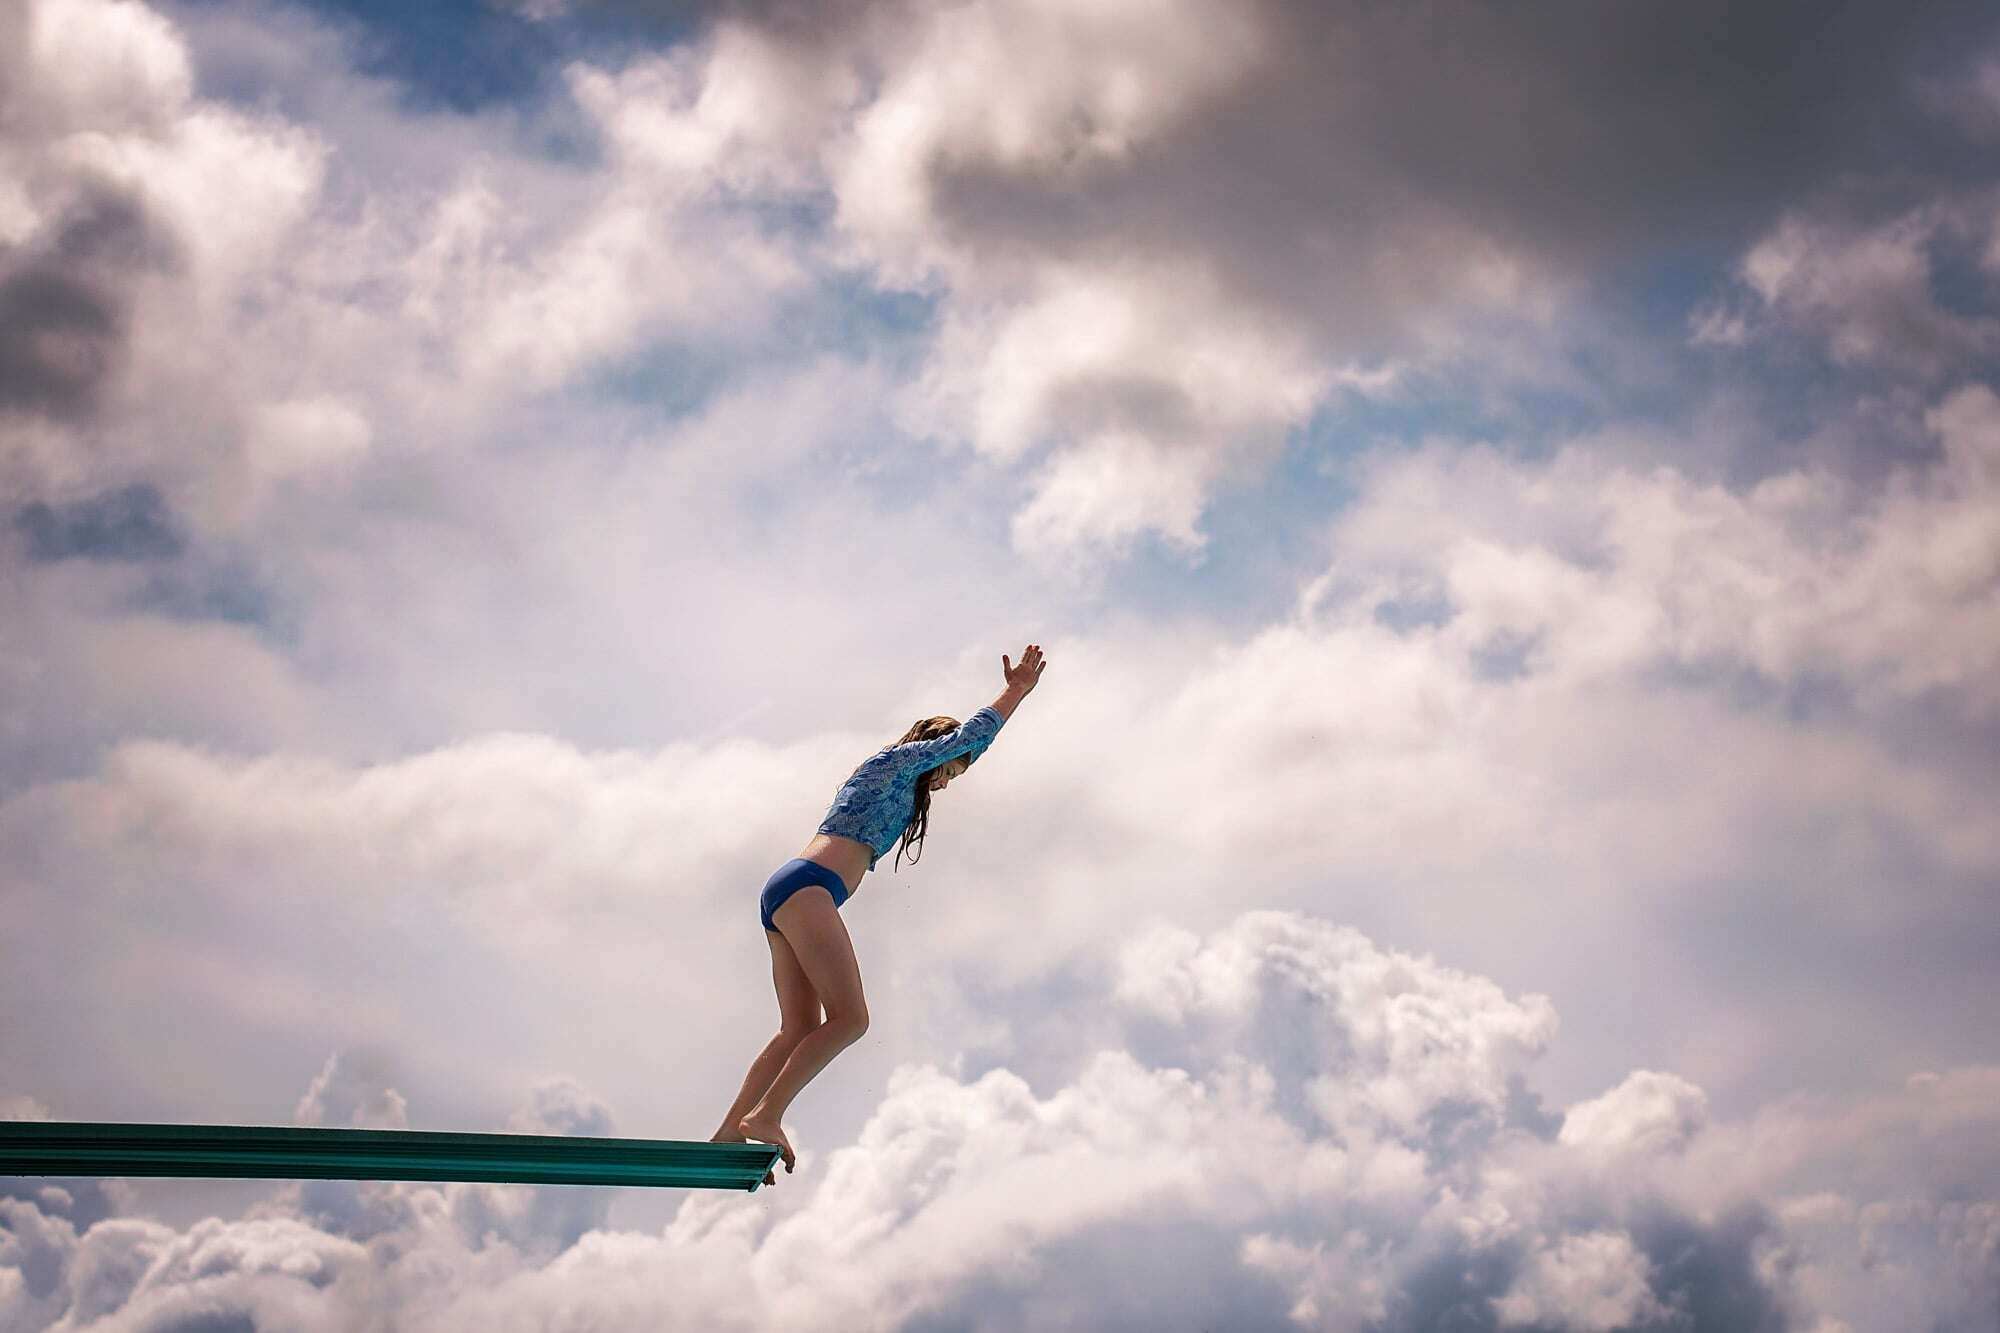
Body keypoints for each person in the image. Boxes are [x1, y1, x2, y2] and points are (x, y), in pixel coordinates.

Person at [711, 644, 1047, 1181]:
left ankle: (731, 1130)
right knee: (852, 1020)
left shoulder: (896, 783)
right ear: (933, 751)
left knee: (799, 1026)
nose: (943, 782)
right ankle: (766, 1115)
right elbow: (969, 739)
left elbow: (961, 754)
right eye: (948, 772)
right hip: (809, 889)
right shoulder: (895, 762)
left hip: (790, 891)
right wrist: (1015, 692)